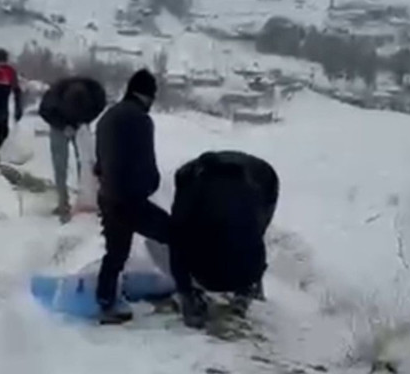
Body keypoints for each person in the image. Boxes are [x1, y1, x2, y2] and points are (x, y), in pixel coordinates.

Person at [93, 68, 173, 324]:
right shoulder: (140, 119)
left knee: (115, 253)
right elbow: (145, 163)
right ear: (147, 95)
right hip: (130, 200)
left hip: (108, 195)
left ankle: (105, 303)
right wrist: (150, 185)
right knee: (174, 233)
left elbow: (99, 163)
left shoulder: (107, 117)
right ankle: (188, 291)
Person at [165, 150, 279, 328]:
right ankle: (247, 288)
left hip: (262, 179)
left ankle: (244, 289)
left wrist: (184, 290)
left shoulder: (191, 188)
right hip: (248, 270)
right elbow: (256, 238)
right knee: (247, 230)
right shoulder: (246, 190)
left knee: (187, 235)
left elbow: (177, 241)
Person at [38, 76, 107, 223]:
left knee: (87, 162)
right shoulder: (53, 96)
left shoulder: (96, 92)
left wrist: (85, 121)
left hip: (82, 123)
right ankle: (62, 203)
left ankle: (88, 198)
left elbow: (100, 106)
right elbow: (44, 112)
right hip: (59, 124)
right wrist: (63, 126)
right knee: (60, 163)